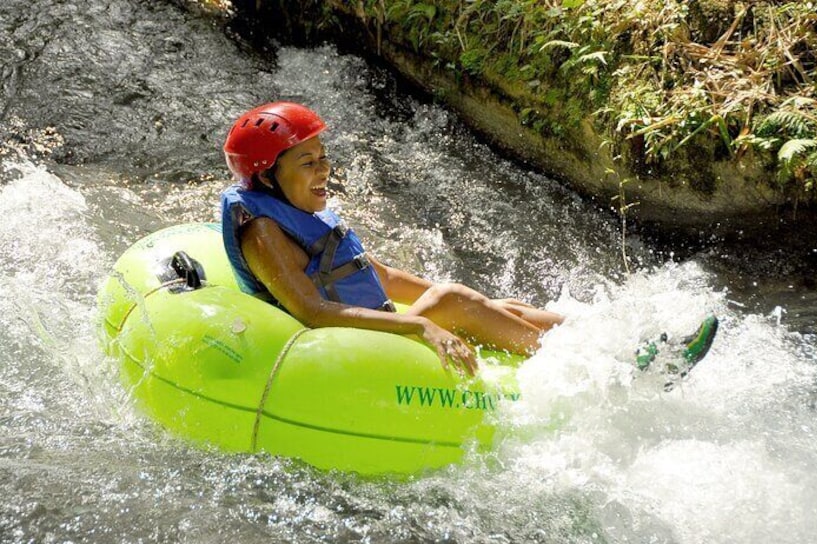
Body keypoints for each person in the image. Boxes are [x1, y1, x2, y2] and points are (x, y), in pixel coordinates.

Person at [221, 101, 563, 375]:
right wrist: (418, 324)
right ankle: (562, 362)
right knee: (453, 300)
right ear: (267, 177)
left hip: (369, 328)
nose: (323, 169)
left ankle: (586, 339)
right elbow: (311, 312)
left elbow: (381, 276)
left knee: (496, 305)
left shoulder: (300, 213)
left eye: (323, 157)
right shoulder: (263, 233)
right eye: (307, 162)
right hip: (340, 350)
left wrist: (463, 303)